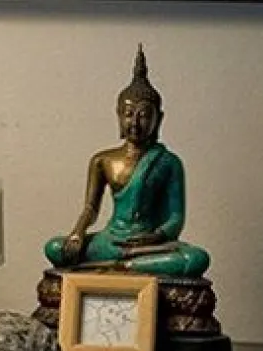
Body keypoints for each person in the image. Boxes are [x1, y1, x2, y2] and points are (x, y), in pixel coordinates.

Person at [44, 46, 210, 278]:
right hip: (110, 241)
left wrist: (156, 236)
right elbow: (90, 209)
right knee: (54, 248)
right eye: (129, 114)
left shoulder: (169, 162)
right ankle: (123, 262)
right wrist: (77, 233)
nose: (135, 122)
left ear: (159, 119)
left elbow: (175, 218)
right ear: (119, 116)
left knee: (196, 259)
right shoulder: (103, 160)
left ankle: (123, 266)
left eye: (144, 115)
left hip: (148, 246)